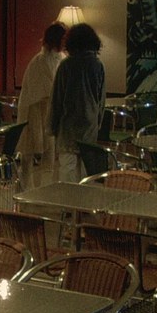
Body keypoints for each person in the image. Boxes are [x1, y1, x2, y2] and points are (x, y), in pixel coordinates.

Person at [49, 23, 106, 183]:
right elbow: (101, 100)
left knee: (67, 170)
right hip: (89, 123)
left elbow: (57, 99)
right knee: (86, 172)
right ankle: (83, 198)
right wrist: (98, 122)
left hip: (68, 125)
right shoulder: (97, 65)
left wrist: (53, 126)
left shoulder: (66, 65)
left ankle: (68, 199)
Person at [16, 22, 67, 189]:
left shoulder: (61, 59)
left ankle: (45, 187)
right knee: (29, 149)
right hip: (34, 109)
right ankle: (26, 186)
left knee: (49, 150)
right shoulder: (40, 61)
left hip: (49, 109)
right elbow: (42, 88)